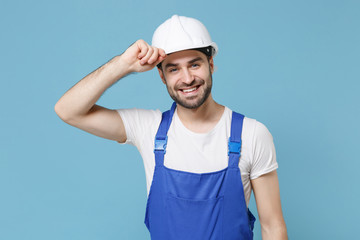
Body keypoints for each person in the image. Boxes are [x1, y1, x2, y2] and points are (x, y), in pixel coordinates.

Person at [55, 15, 287, 240]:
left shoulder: (252, 134)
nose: (187, 79)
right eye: (174, 69)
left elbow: (273, 226)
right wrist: (123, 64)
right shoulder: (148, 129)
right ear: (162, 76)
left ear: (211, 64)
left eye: (194, 64)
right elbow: (68, 110)